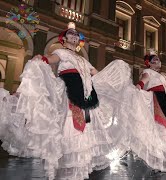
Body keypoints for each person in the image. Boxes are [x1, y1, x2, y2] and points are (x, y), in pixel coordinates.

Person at [0, 22, 130, 180]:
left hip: (84, 94)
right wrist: (42, 58)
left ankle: (79, 169)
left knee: (84, 127)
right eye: (71, 34)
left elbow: (96, 73)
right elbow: (52, 59)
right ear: (64, 38)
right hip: (69, 91)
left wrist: (116, 81)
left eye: (76, 35)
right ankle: (67, 169)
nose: (74, 36)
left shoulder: (83, 60)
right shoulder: (61, 51)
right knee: (70, 125)